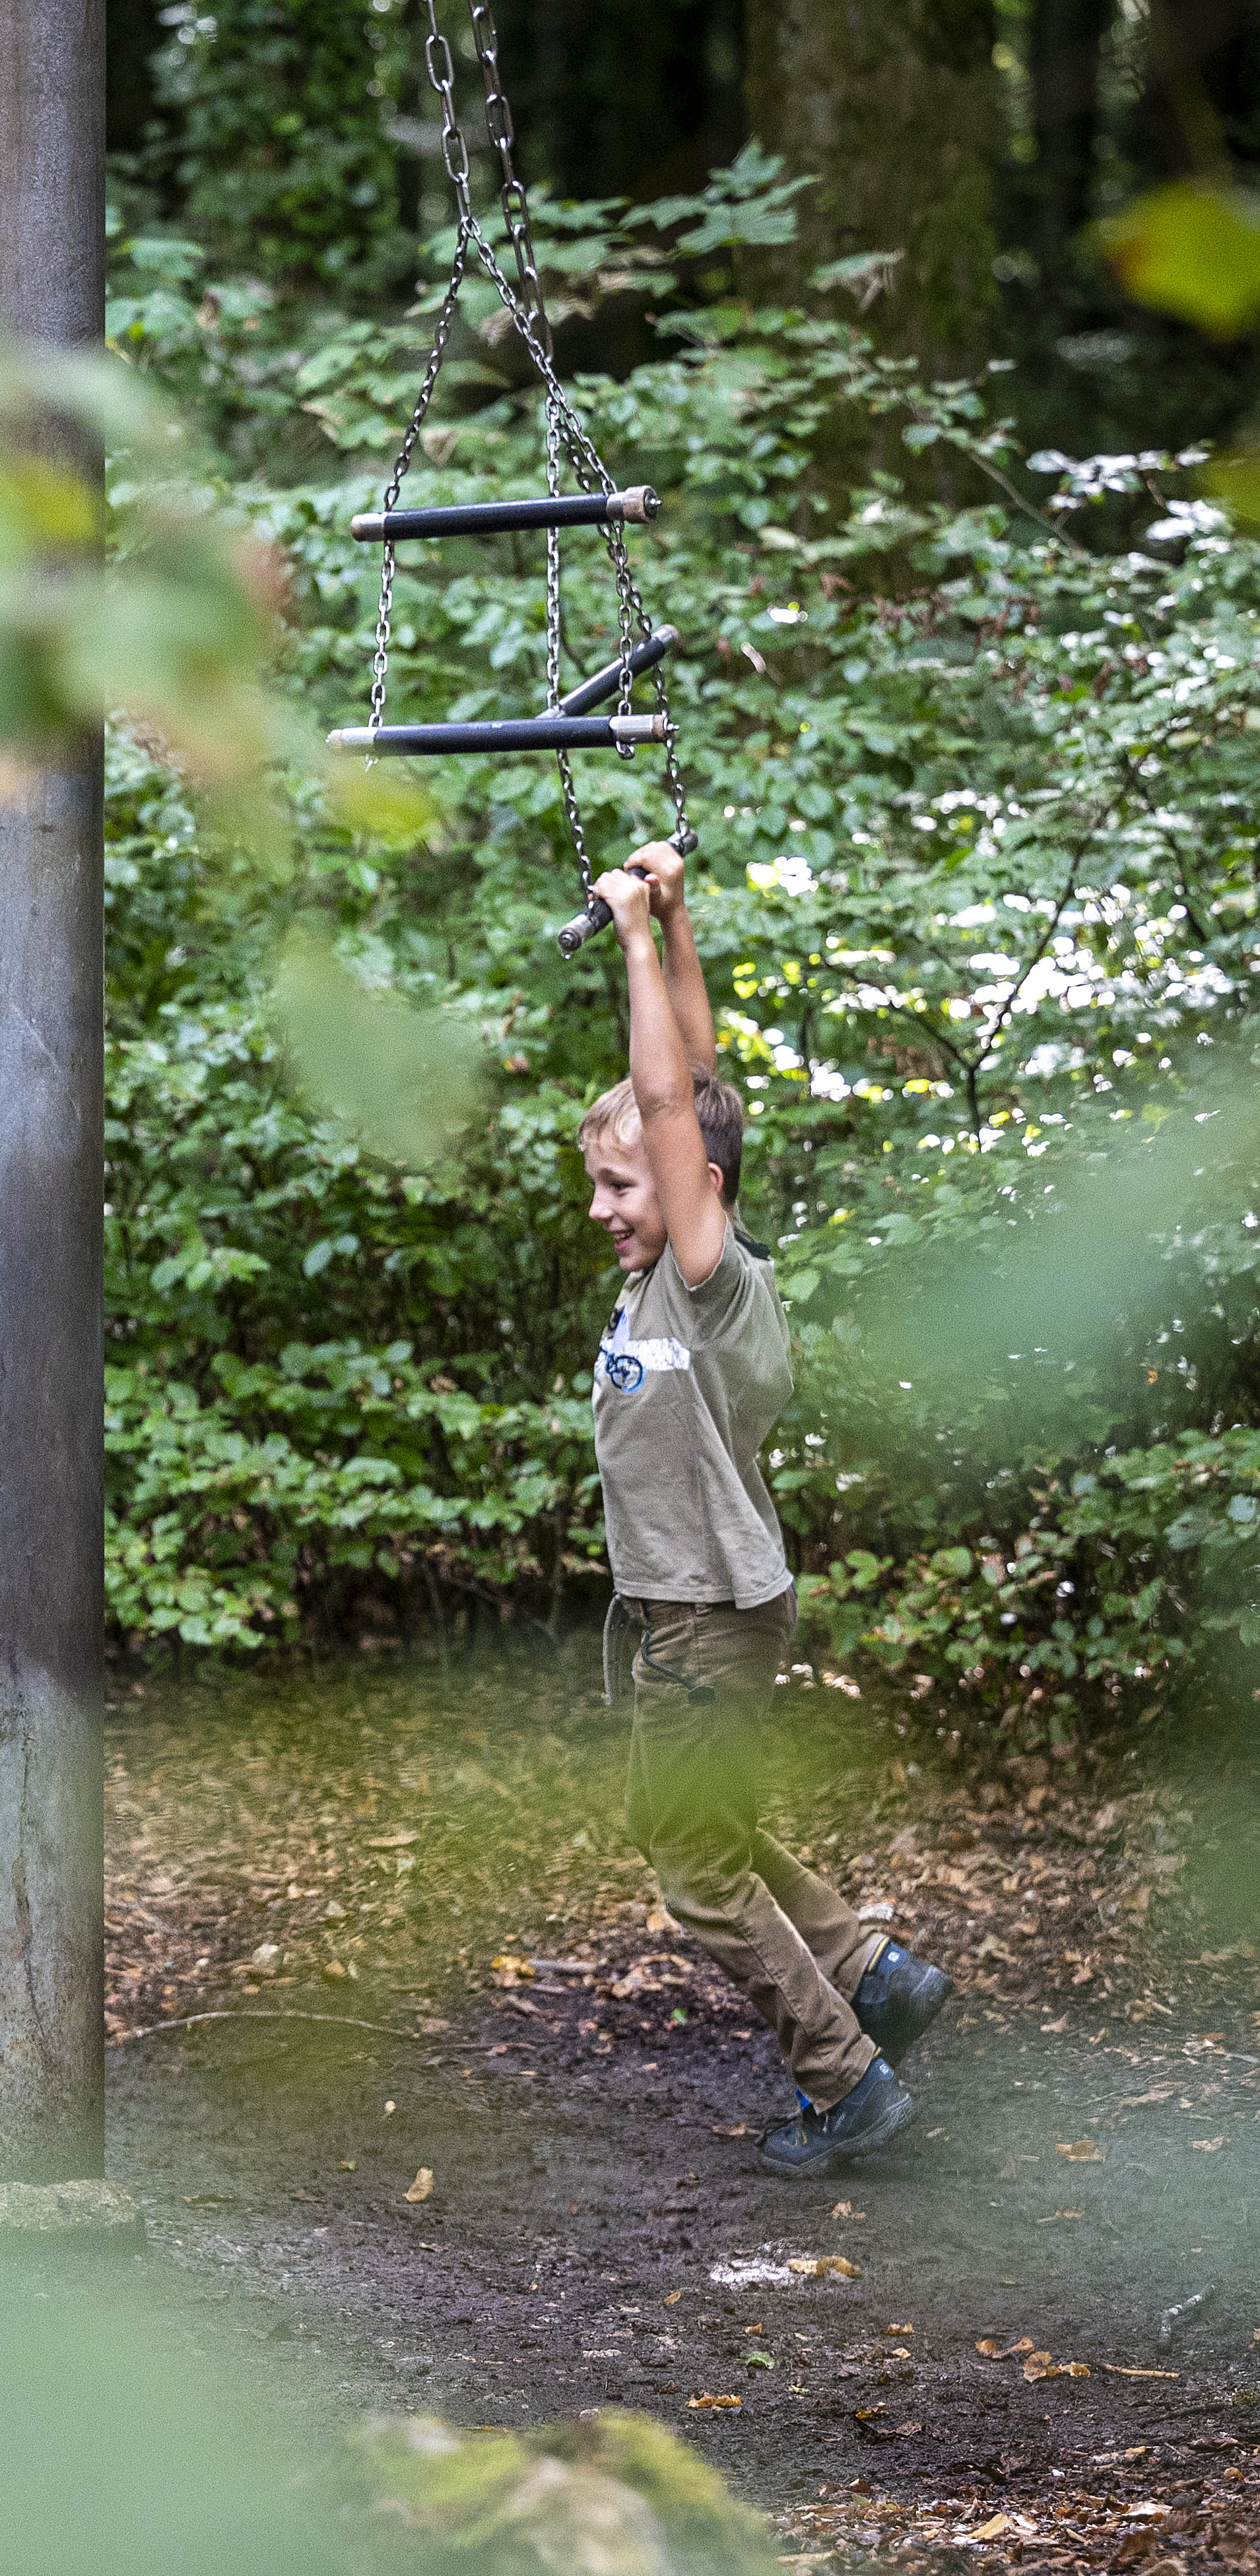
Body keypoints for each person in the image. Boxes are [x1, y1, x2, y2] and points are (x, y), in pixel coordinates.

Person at [585, 837, 950, 2179]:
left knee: (689, 1862)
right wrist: (674, 927)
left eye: (622, 1182)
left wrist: (627, 936)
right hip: (692, 1615)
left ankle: (843, 2079)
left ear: (694, 1191)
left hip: (702, 1620)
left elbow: (674, 1104)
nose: (600, 1203)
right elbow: (697, 1084)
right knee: (703, 1824)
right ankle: (871, 1969)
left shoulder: (705, 1279)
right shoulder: (675, 1276)